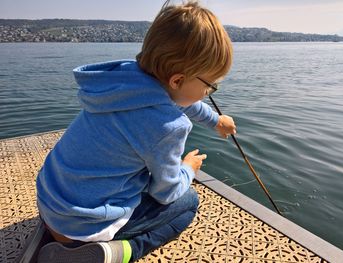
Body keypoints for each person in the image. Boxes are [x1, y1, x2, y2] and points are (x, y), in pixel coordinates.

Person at [36, 1, 235, 262]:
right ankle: (112, 252)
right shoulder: (168, 127)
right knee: (188, 203)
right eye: (210, 87)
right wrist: (189, 168)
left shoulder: (122, 82)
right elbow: (166, 193)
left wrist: (215, 120)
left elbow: (179, 98)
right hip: (83, 226)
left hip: (50, 203)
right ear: (176, 80)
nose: (208, 93)